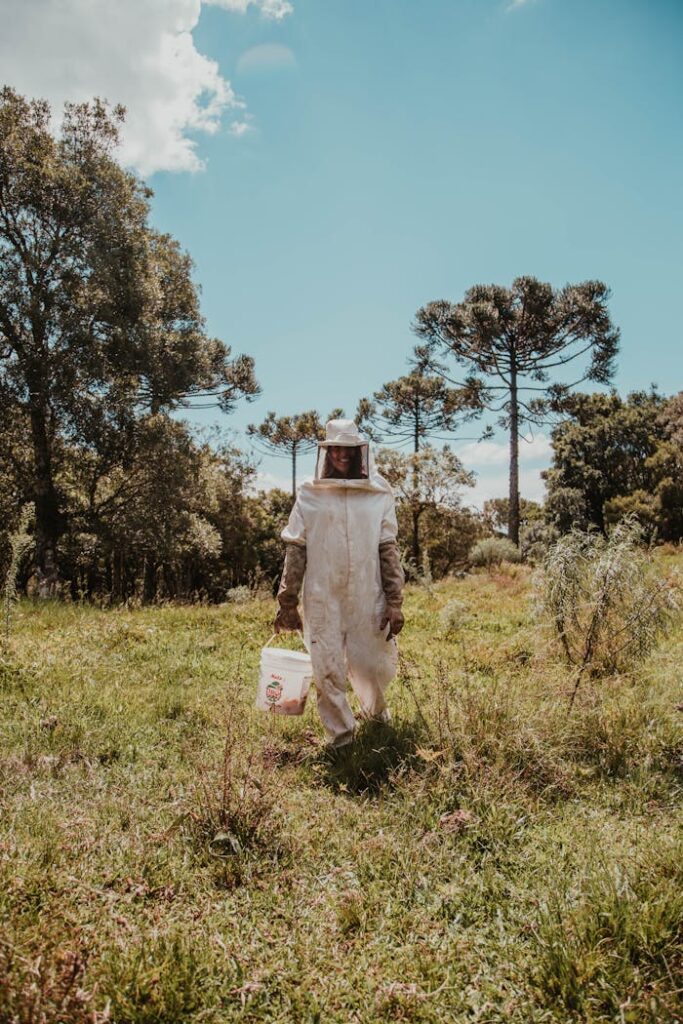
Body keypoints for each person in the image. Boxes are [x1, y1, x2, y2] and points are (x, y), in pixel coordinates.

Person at [274, 418, 405, 748]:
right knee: (327, 667)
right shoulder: (310, 491)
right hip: (322, 595)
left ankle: (376, 718)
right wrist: (287, 601)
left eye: (348, 450)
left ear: (359, 452)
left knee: (371, 664)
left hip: (368, 594)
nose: (342, 456)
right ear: (327, 451)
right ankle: (342, 738)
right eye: (336, 449)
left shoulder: (378, 491)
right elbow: (297, 546)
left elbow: (387, 548)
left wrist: (395, 601)